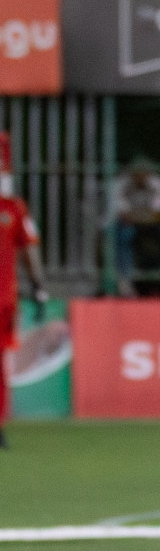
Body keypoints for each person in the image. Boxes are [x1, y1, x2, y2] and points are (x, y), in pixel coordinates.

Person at [0, 132, 47, 450]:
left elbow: (30, 251)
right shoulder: (14, 208)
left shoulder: (14, 208)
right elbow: (30, 252)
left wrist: (39, 287)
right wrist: (40, 289)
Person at [112, 156, 160, 297]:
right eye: (137, 174)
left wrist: (140, 216)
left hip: (150, 225)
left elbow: (159, 216)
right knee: (124, 235)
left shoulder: (158, 184)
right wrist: (144, 216)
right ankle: (126, 278)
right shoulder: (121, 184)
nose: (141, 178)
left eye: (144, 174)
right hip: (129, 224)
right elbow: (123, 216)